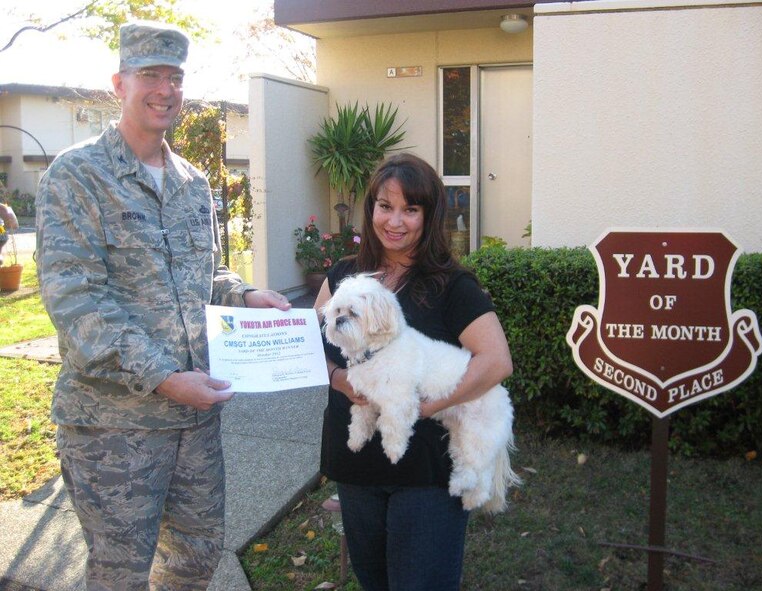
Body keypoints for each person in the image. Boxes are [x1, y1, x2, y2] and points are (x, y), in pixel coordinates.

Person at [35, 21, 291, 590]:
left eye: (174, 77)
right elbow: (76, 302)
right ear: (119, 83)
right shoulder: (77, 176)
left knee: (196, 560)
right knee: (119, 574)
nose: (165, 89)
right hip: (114, 428)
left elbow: (205, 274)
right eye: (150, 74)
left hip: (194, 424)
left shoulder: (191, 181)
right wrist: (164, 378)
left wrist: (248, 296)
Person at [314, 153, 513, 590]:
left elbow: (496, 361)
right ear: (371, 210)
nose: (395, 221)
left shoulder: (451, 284)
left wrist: (429, 406)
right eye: (385, 206)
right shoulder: (345, 274)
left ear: (429, 214)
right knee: (375, 582)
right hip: (357, 467)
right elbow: (311, 344)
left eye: (411, 209)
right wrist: (338, 379)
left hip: (425, 475)